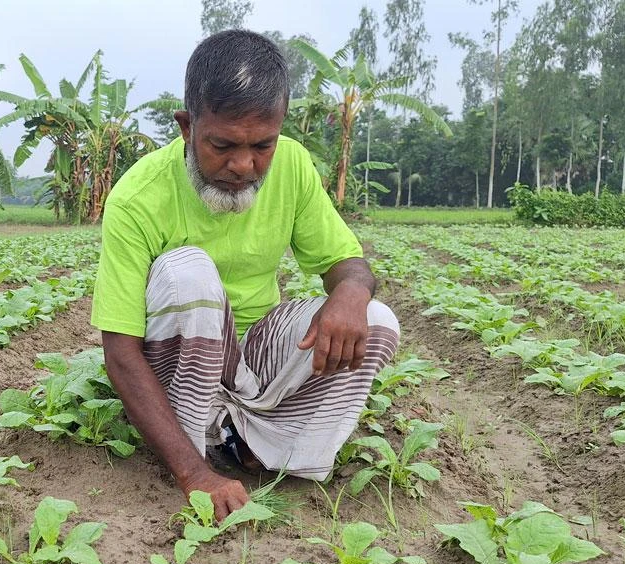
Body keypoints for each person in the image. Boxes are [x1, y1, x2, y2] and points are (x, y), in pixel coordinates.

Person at [91, 30, 400, 520]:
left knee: (377, 319)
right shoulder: (137, 198)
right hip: (182, 363)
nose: (243, 165)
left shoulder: (293, 166)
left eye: (262, 146)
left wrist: (351, 290)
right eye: (222, 145)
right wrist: (193, 475)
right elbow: (120, 352)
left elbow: (348, 264)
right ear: (186, 127)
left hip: (254, 354)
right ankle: (201, 447)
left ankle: (250, 446)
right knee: (187, 271)